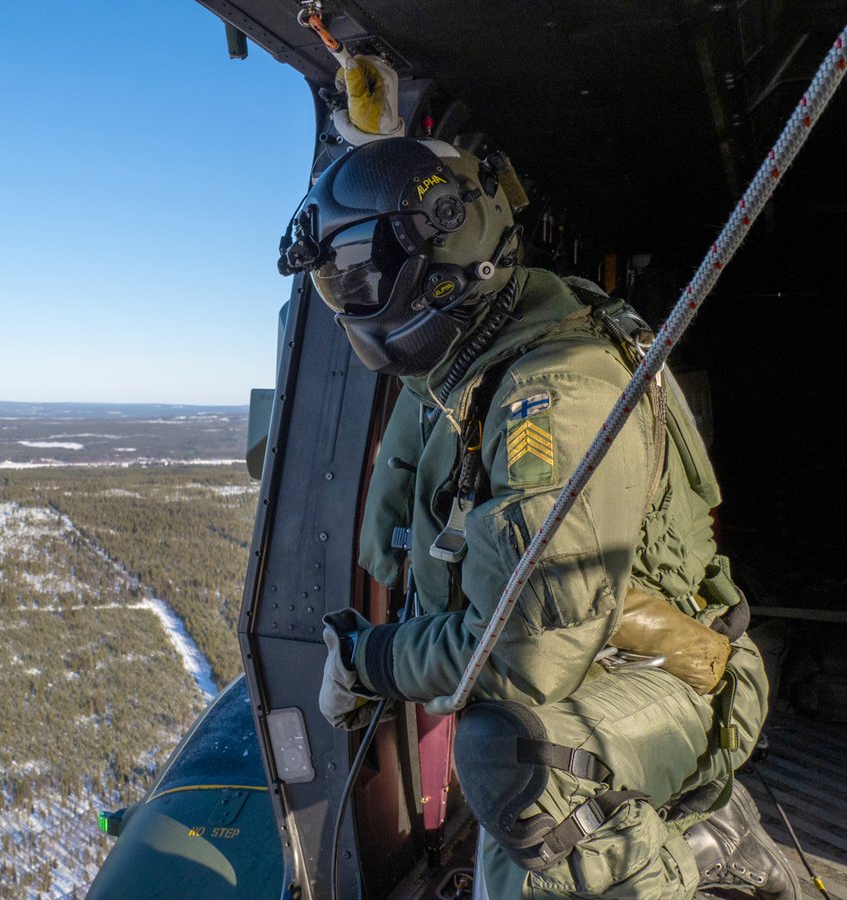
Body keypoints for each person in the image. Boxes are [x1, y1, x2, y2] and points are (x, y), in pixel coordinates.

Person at [279, 136, 799, 899]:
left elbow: (523, 656)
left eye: (359, 275)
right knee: (512, 850)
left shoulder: (556, 398)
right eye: (338, 283)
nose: (349, 302)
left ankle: (706, 844)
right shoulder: (466, 371)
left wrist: (370, 660)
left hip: (682, 683)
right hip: (592, 666)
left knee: (517, 764)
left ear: (444, 251)